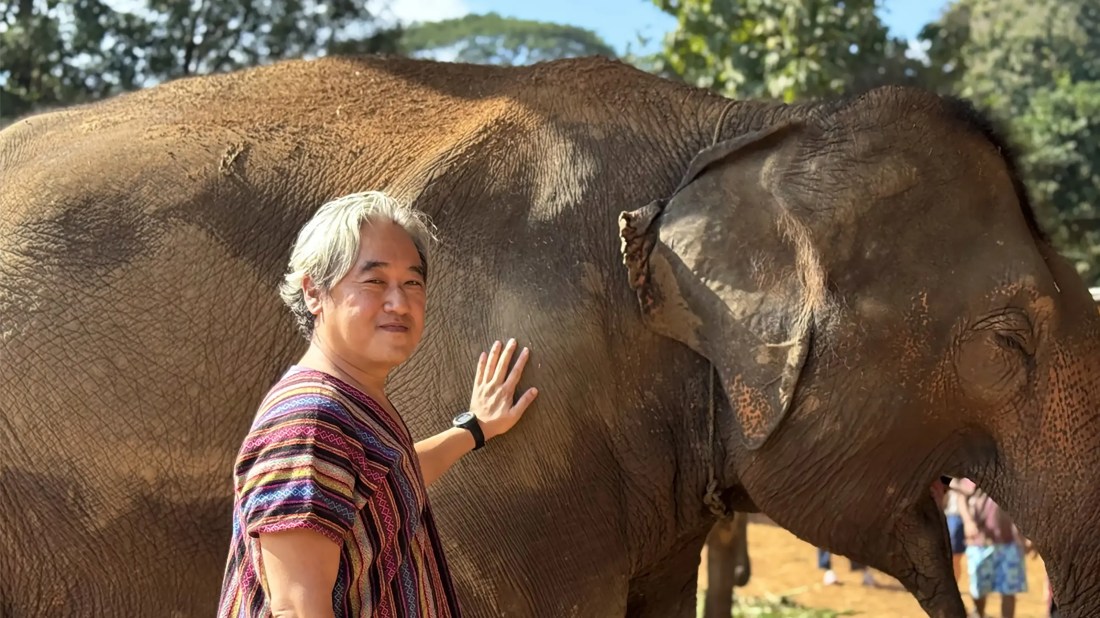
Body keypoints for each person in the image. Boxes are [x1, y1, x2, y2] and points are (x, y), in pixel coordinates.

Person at [216, 191, 539, 617]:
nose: (400, 303)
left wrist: (474, 429)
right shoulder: (310, 423)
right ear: (314, 292)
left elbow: (387, 483)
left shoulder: (346, 404)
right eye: (374, 281)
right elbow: (296, 607)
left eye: (412, 283)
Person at [956, 478, 1028, 618]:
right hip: (980, 543)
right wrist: (968, 522)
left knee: (1009, 591)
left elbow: (1020, 504)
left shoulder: (1011, 474)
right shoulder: (978, 469)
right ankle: (979, 614)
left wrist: (1023, 537)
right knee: (979, 590)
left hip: (1009, 542)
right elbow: (961, 497)